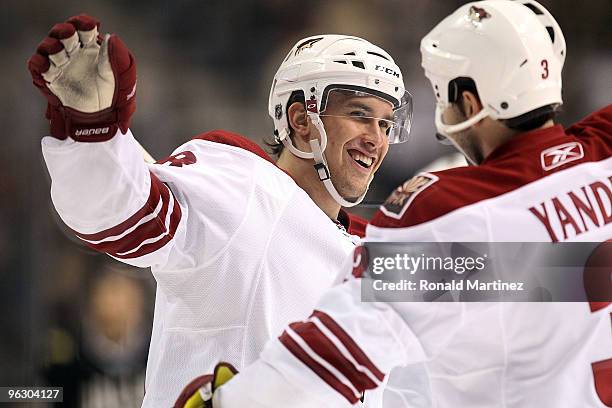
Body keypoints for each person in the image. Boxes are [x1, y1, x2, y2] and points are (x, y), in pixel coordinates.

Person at [174, 1, 612, 407]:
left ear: (470, 102)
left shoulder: (448, 214)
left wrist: (233, 402)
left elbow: (339, 355)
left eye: (443, 96)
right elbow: (549, 269)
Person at [27, 15, 413, 407]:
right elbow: (126, 218)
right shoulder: (246, 189)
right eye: (360, 115)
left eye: (385, 124)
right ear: (300, 119)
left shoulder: (377, 249)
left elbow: (471, 280)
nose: (376, 139)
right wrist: (94, 133)